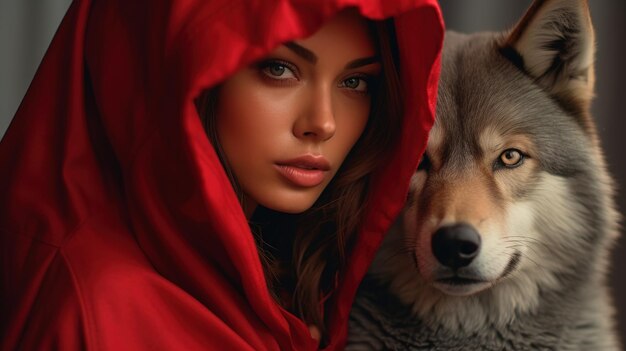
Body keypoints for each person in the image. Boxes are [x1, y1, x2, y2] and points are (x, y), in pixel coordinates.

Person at [0, 0, 443, 350]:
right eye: (279, 69)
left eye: (355, 82)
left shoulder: (307, 280)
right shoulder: (98, 312)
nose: (323, 123)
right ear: (166, 71)